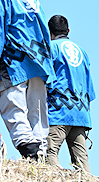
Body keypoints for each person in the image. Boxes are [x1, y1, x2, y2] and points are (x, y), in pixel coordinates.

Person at [0, 0, 56, 160]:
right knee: (37, 115)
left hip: (14, 64)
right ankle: (40, 163)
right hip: (40, 63)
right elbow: (44, 29)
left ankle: (31, 156)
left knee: (12, 109)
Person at [46, 15, 95, 172]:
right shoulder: (83, 52)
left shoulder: (51, 48)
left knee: (49, 154)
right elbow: (91, 92)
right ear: (68, 30)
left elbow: (42, 79)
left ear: (50, 32)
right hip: (81, 114)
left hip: (58, 112)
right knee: (82, 163)